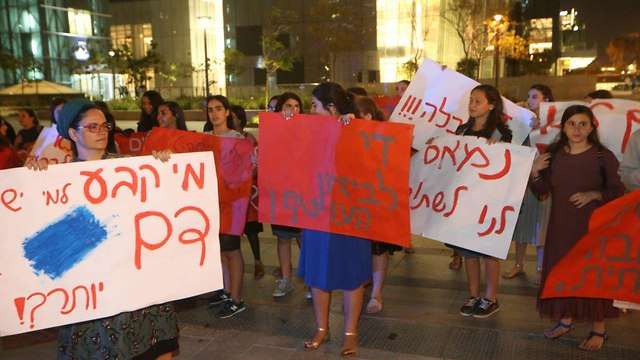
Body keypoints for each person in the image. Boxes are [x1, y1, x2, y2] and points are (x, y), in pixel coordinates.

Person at [27, 98, 179, 359]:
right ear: (73, 134)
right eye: (92, 126)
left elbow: (162, 207)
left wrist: (164, 166)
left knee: (154, 343)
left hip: (136, 280)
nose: (102, 131)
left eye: (105, 125)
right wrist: (35, 179)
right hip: (92, 292)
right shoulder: (58, 179)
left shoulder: (130, 168)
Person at [530, 104, 625, 351]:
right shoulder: (553, 155)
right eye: (572, 123)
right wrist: (535, 173)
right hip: (561, 228)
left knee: (593, 277)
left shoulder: (603, 156)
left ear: (592, 126)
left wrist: (594, 194)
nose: (577, 128)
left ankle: (598, 330)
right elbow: (541, 192)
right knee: (562, 273)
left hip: (593, 230)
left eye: (583, 123)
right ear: (563, 127)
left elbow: (617, 191)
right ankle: (565, 320)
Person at [298, 82, 371, 356]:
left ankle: (350, 332)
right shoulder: (309, 131)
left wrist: (354, 128)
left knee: (352, 273)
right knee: (318, 273)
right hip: (317, 212)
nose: (310, 111)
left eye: (314, 106)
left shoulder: (355, 128)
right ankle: (321, 328)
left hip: (350, 214)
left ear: (331, 107)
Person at [447, 84, 512, 319]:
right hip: (465, 200)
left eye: (478, 101)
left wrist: (499, 149)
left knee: (488, 251)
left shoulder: (502, 133)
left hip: (488, 201)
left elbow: (508, 164)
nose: (472, 105)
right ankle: (473, 295)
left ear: (491, 105)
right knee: (468, 252)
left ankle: (490, 298)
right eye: (471, 101)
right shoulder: (462, 130)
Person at [354, 96, 402, 314]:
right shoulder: (348, 136)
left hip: (379, 202)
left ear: (367, 116)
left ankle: (376, 293)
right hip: (355, 203)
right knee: (362, 248)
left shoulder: (386, 136)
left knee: (378, 249)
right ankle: (366, 282)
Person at [503, 84, 554, 283]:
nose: (530, 100)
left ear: (547, 100)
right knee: (522, 223)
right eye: (528, 96)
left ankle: (542, 267)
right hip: (524, 179)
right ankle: (519, 263)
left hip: (546, 180)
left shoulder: (556, 123)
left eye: (535, 96)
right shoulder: (521, 120)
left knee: (544, 224)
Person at [204, 95, 248, 319]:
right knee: (219, 251)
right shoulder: (204, 138)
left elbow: (244, 173)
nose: (214, 113)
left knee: (232, 250)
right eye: (210, 109)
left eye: (219, 109)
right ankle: (227, 291)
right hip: (210, 203)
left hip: (231, 204)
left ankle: (237, 299)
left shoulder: (237, 139)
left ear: (228, 112)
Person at [271, 92, 305, 297]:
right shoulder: (273, 130)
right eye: (288, 105)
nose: (292, 110)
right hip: (280, 193)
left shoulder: (309, 129)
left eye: (297, 106)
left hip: (302, 193)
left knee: (303, 238)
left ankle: (311, 281)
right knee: (283, 238)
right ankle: (285, 279)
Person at [229, 104, 264, 280]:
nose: (231, 119)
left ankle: (257, 261)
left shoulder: (248, 139)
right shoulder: (224, 137)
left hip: (249, 191)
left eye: (234, 116)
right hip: (232, 192)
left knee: (251, 230)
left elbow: (256, 163)